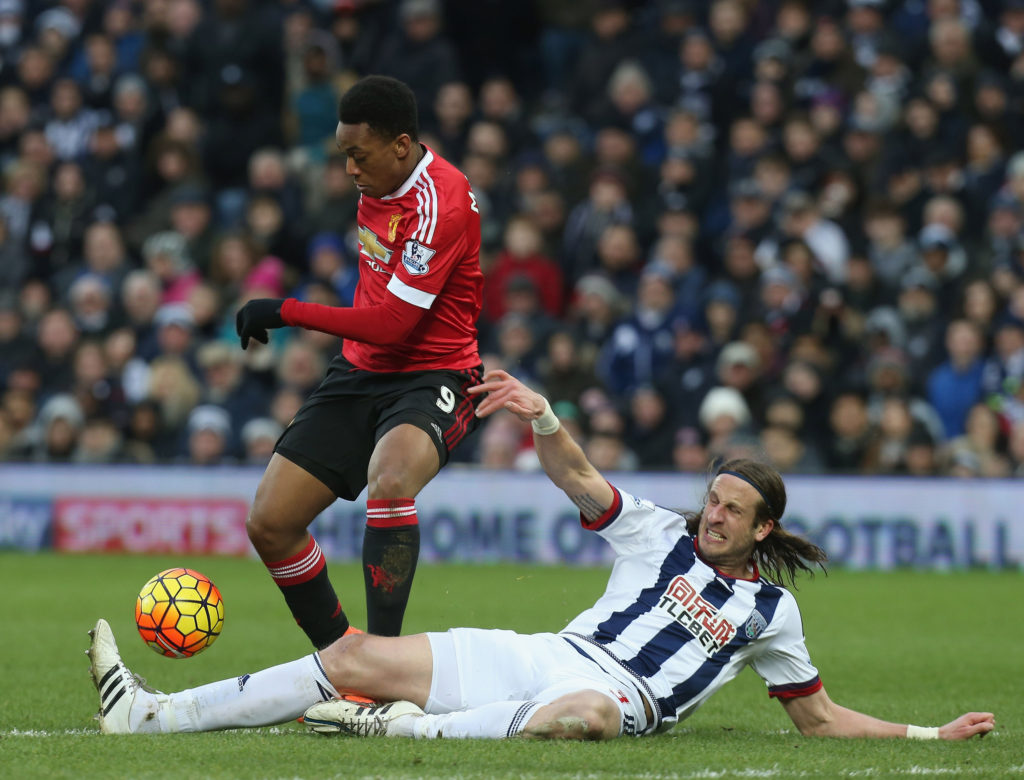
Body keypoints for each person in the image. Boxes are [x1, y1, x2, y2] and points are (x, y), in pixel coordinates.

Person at [87, 371, 994, 742]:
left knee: (593, 716)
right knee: (353, 657)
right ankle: (148, 715)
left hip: (610, 698)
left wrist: (927, 734)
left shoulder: (773, 615)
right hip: (540, 654)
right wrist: (543, 415)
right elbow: (579, 478)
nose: (712, 515)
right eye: (713, 498)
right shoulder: (659, 532)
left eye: (731, 511)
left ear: (763, 530)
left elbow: (820, 718)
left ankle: (401, 730)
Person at [233, 75, 483, 644]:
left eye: (357, 154)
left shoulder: (440, 202)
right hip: (359, 371)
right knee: (270, 524)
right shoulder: (378, 181)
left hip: (433, 372)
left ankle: (386, 662)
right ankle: (345, 661)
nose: (349, 169)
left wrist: (287, 310)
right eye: (344, 154)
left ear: (400, 145)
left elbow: (395, 323)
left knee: (390, 482)